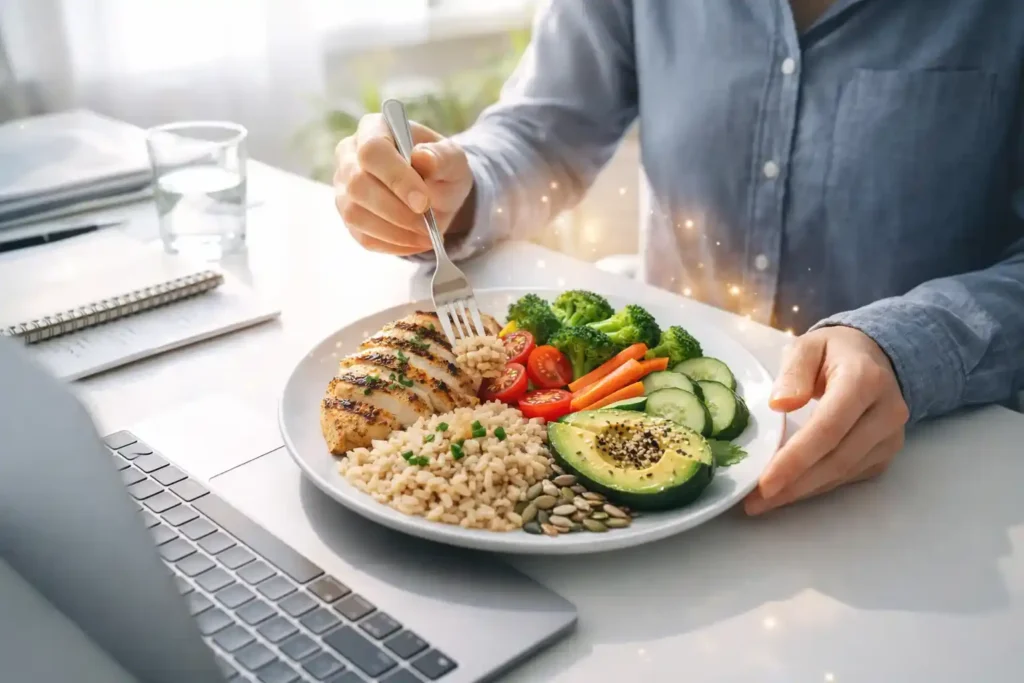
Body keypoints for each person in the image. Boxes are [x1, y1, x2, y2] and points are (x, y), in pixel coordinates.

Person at [331, 1, 1024, 515]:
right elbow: (545, 131)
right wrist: (460, 187)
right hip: (637, 490)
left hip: (924, 486)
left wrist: (913, 343)